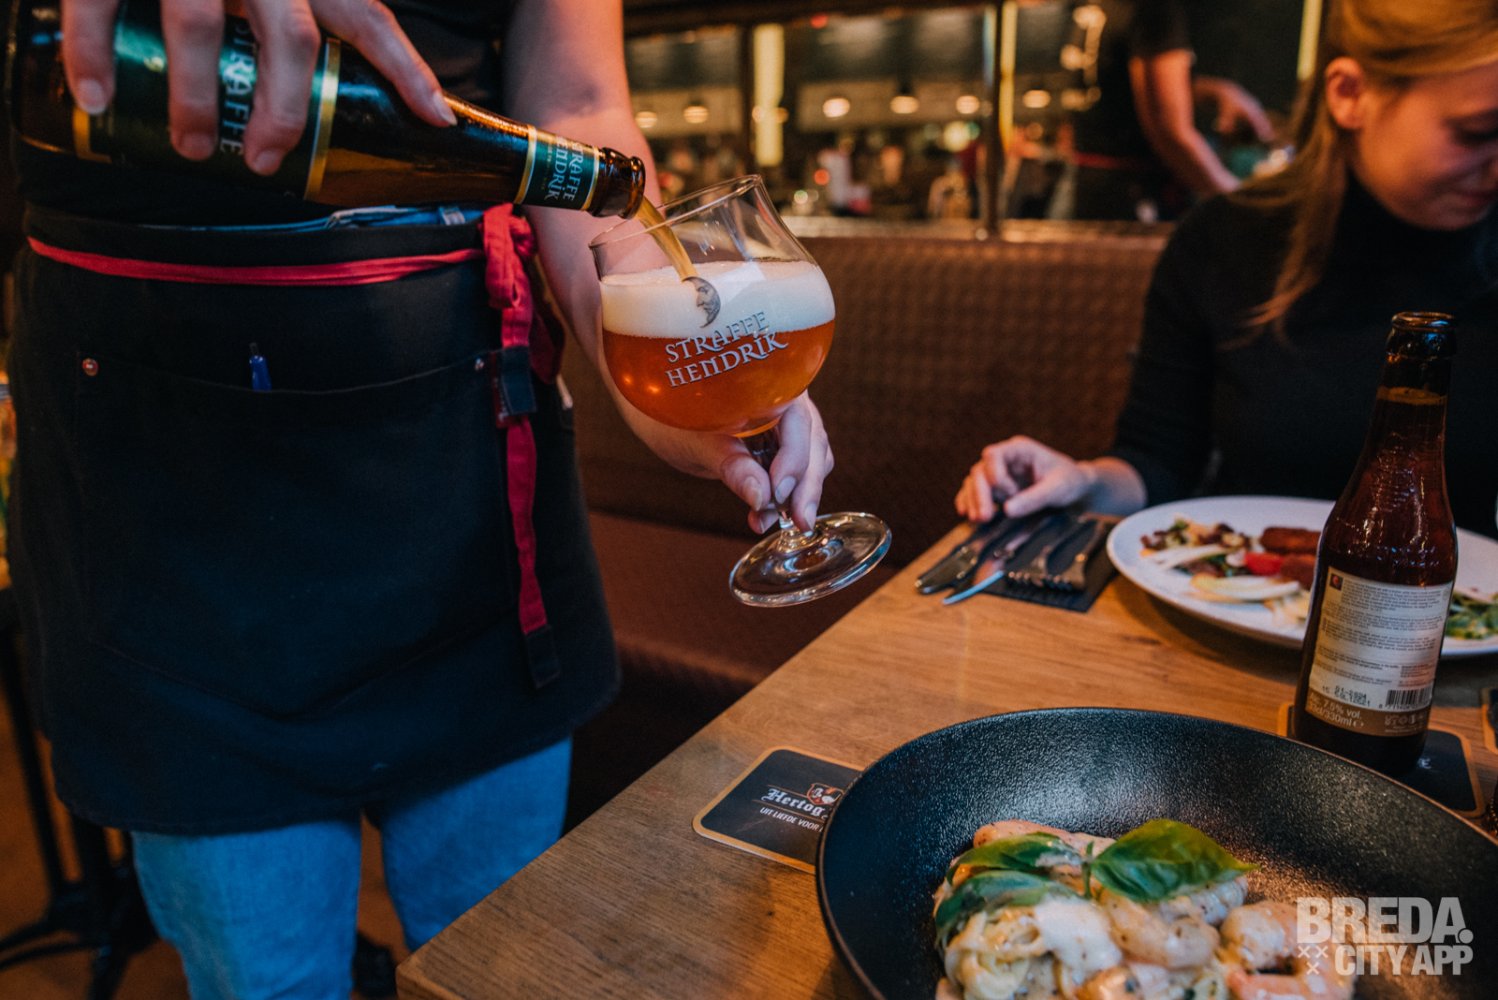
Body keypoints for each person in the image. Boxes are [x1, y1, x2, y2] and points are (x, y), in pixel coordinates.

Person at [6, 1, 834, 997]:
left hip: (473, 502)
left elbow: (577, 110)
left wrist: (652, 373)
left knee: (505, 970)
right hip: (169, 518)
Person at [958, 0, 1498, 541]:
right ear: (1349, 94)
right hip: (1243, 582)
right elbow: (1157, 462)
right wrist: (1082, 481)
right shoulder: (1227, 241)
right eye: (1477, 133)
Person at [1068, 0, 1276, 221]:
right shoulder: (1157, 7)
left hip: (1091, 187)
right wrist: (1242, 202)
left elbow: (1122, 84)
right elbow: (1169, 131)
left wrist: (1216, 91)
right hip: (1136, 198)